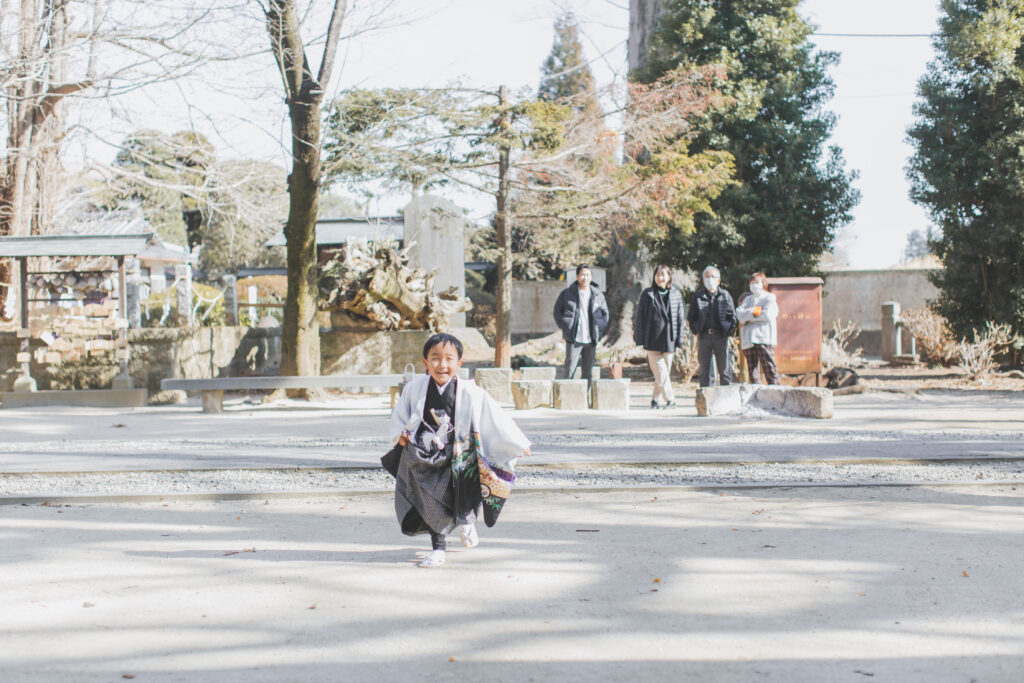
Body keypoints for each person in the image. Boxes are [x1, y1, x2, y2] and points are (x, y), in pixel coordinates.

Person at [387, 333, 531, 568]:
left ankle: (466, 520)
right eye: (435, 358)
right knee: (430, 498)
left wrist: (517, 442)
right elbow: (401, 417)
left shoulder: (470, 391)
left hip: (460, 452)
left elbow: (493, 417)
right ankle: (438, 546)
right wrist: (401, 437)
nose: (442, 365)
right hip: (426, 456)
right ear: (425, 363)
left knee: (465, 491)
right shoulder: (415, 389)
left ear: (459, 363)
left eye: (449, 359)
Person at [633, 264, 685, 409]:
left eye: (663, 274)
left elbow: (680, 318)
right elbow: (640, 318)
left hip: (669, 338)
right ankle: (671, 400)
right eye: (657, 274)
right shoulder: (647, 293)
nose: (660, 277)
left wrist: (680, 339)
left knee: (663, 373)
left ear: (669, 277)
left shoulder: (675, 293)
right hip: (652, 338)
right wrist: (639, 337)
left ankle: (654, 399)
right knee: (661, 371)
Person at [552, 264, 609, 383]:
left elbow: (605, 314)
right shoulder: (567, 293)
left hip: (591, 339)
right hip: (574, 338)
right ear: (577, 276)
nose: (585, 277)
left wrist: (599, 329)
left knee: (588, 373)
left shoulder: (597, 294)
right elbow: (557, 311)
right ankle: (567, 399)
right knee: (570, 370)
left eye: (588, 275)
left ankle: (585, 399)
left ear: (591, 277)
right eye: (583, 274)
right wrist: (565, 326)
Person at [686, 265, 736, 387]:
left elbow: (732, 317)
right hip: (704, 336)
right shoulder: (698, 296)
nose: (710, 279)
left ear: (719, 280)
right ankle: (707, 399)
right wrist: (696, 331)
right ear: (703, 280)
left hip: (721, 336)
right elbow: (691, 317)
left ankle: (726, 399)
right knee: (705, 371)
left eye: (713, 277)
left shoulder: (725, 295)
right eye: (707, 277)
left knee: (725, 370)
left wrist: (728, 333)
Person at [736, 271, 780, 384]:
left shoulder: (769, 297)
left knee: (769, 369)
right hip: (749, 339)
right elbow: (739, 315)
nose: (754, 285)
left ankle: (776, 393)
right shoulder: (747, 299)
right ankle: (757, 395)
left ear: (763, 283)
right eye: (751, 283)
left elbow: (767, 314)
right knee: (753, 372)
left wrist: (748, 316)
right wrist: (754, 312)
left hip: (764, 338)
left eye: (756, 282)